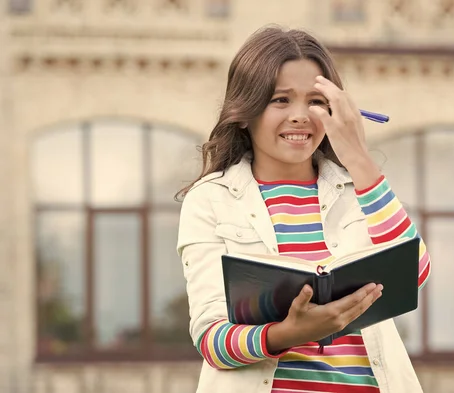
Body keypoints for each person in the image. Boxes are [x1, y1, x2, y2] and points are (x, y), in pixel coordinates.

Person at [176, 25, 431, 393]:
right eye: (281, 100)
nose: (300, 115)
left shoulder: (361, 189)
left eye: (314, 101)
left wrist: (358, 155)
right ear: (245, 111)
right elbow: (212, 338)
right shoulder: (211, 199)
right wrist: (288, 333)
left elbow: (416, 273)